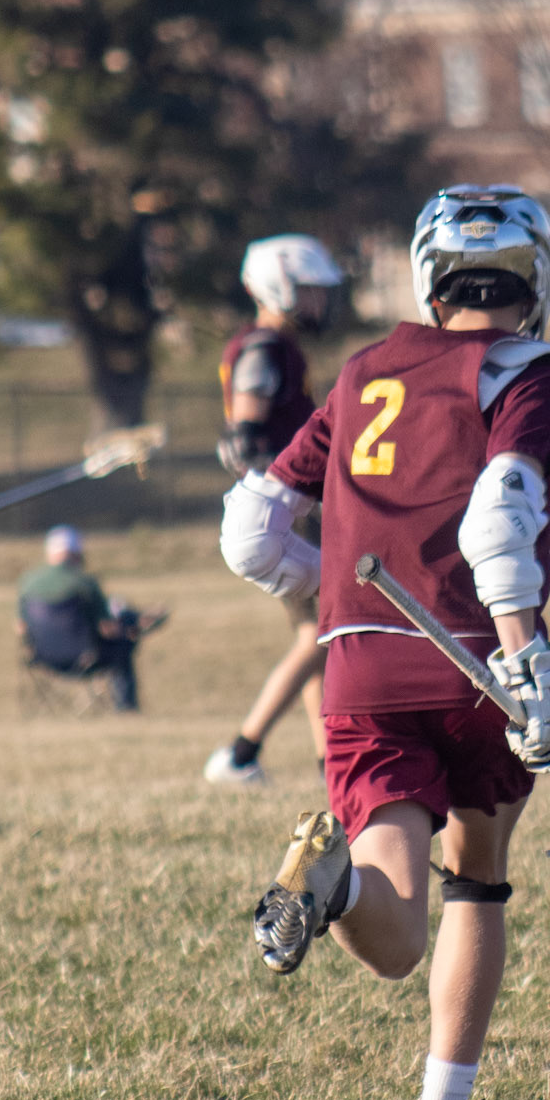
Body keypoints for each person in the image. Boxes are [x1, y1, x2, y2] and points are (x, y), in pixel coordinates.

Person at [220, 185, 550, 1100]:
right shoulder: (533, 373)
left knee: (390, 933)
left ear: (431, 278)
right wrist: (526, 662)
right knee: (477, 882)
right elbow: (499, 521)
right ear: (534, 278)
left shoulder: (361, 372)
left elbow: (249, 531)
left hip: (360, 666)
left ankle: (334, 885)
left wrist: (333, 592)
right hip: (475, 663)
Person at [203, 234, 342, 789]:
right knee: (321, 635)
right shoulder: (265, 348)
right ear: (281, 286)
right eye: (309, 289)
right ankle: (242, 751)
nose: (318, 300)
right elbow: (247, 438)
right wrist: (292, 495)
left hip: (291, 506)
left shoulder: (278, 345)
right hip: (289, 509)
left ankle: (328, 762)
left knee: (318, 637)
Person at [17, 525, 166, 711]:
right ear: (76, 553)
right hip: (86, 657)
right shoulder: (85, 583)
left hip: (43, 658)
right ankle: (126, 707)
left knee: (125, 627)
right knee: (124, 642)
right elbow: (106, 628)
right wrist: (127, 631)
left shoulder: (27, 582)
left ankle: (137, 620)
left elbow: (21, 628)